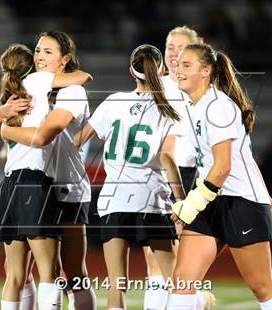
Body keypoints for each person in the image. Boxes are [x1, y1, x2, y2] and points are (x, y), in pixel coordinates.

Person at [167, 43, 272, 310]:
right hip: (212, 197)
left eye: (187, 65)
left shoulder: (217, 106)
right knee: (183, 280)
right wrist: (267, 195)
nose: (178, 70)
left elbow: (223, 167)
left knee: (261, 286)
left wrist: (192, 204)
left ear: (206, 71)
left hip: (239, 202)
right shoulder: (193, 106)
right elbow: (243, 156)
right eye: (178, 65)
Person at [74, 44, 185, 310]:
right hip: (152, 200)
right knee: (178, 283)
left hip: (115, 199)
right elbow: (168, 158)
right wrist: (182, 199)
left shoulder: (113, 101)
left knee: (116, 286)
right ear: (161, 70)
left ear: (131, 71)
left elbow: (76, 141)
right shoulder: (168, 109)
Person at [0, 36, 91, 310]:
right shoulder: (32, 85)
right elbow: (41, 137)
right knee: (44, 270)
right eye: (37, 50)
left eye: (48, 51)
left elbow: (45, 134)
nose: (40, 56)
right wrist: (3, 121)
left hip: (65, 186)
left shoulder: (68, 90)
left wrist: (4, 127)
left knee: (70, 272)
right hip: (38, 182)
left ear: (65, 58)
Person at [142, 25, 216, 310]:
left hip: (189, 177)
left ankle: (195, 299)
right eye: (169, 46)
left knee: (182, 258)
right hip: (159, 176)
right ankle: (196, 300)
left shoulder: (202, 89)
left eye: (181, 48)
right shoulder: (157, 86)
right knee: (155, 255)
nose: (173, 53)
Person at [0, 43, 62, 310]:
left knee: (14, 275)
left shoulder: (8, 100)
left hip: (9, 185)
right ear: (31, 68)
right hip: (34, 182)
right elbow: (83, 77)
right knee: (49, 272)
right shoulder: (39, 84)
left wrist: (2, 118)